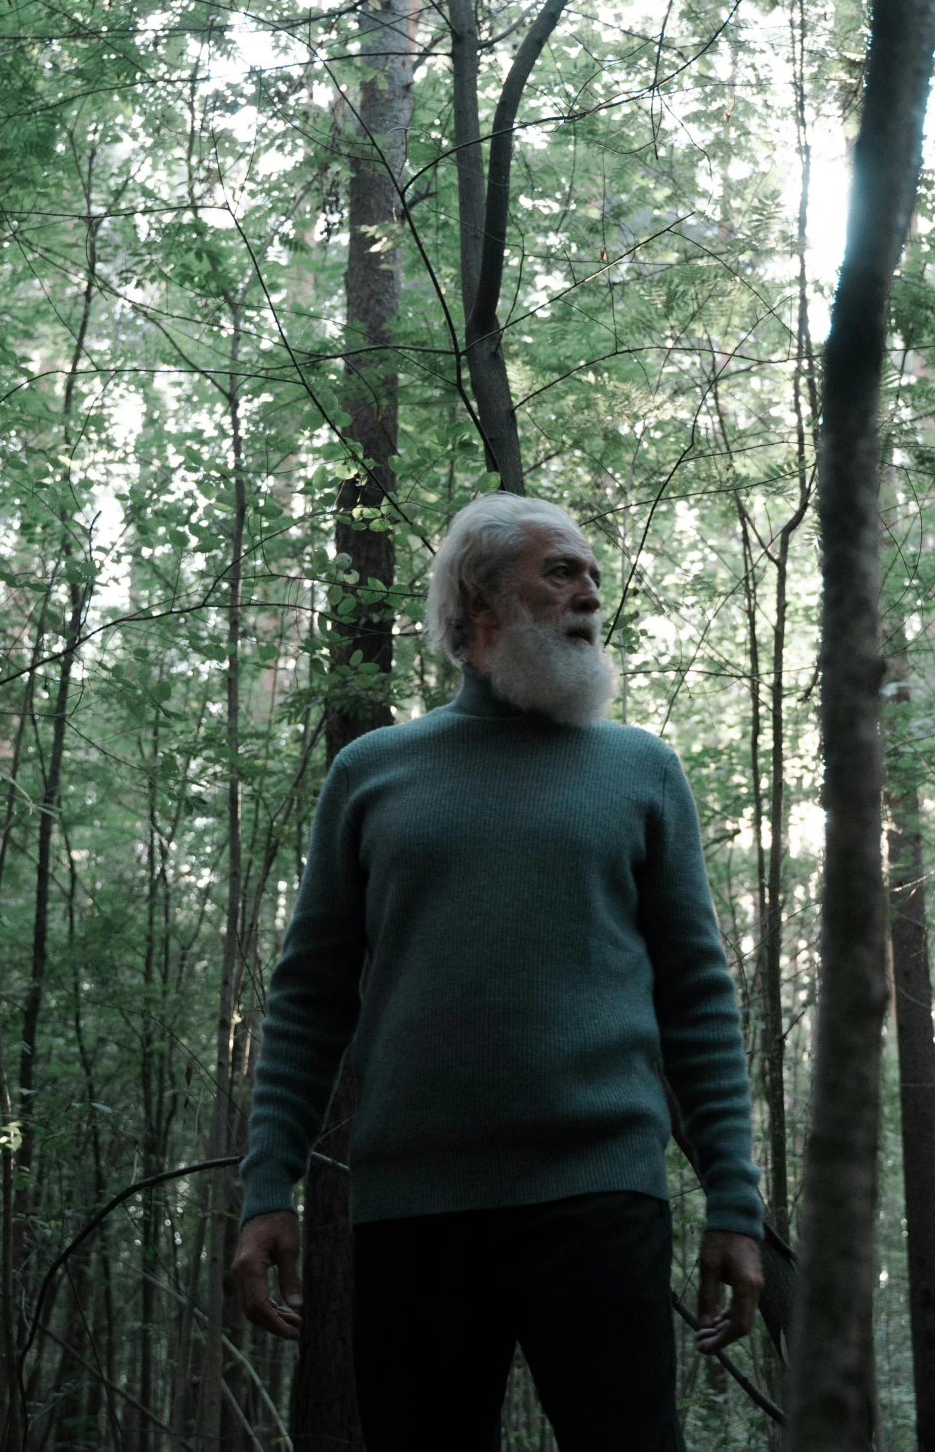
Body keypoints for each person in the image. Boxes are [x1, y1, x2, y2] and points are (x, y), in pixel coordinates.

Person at [230, 491, 764, 1450]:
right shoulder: (373, 771)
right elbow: (309, 996)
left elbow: (698, 995)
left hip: (602, 1196)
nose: (590, 591)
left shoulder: (641, 770)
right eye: (561, 570)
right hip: (415, 1211)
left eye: (594, 573)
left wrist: (734, 1195)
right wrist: (269, 1184)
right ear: (482, 598)